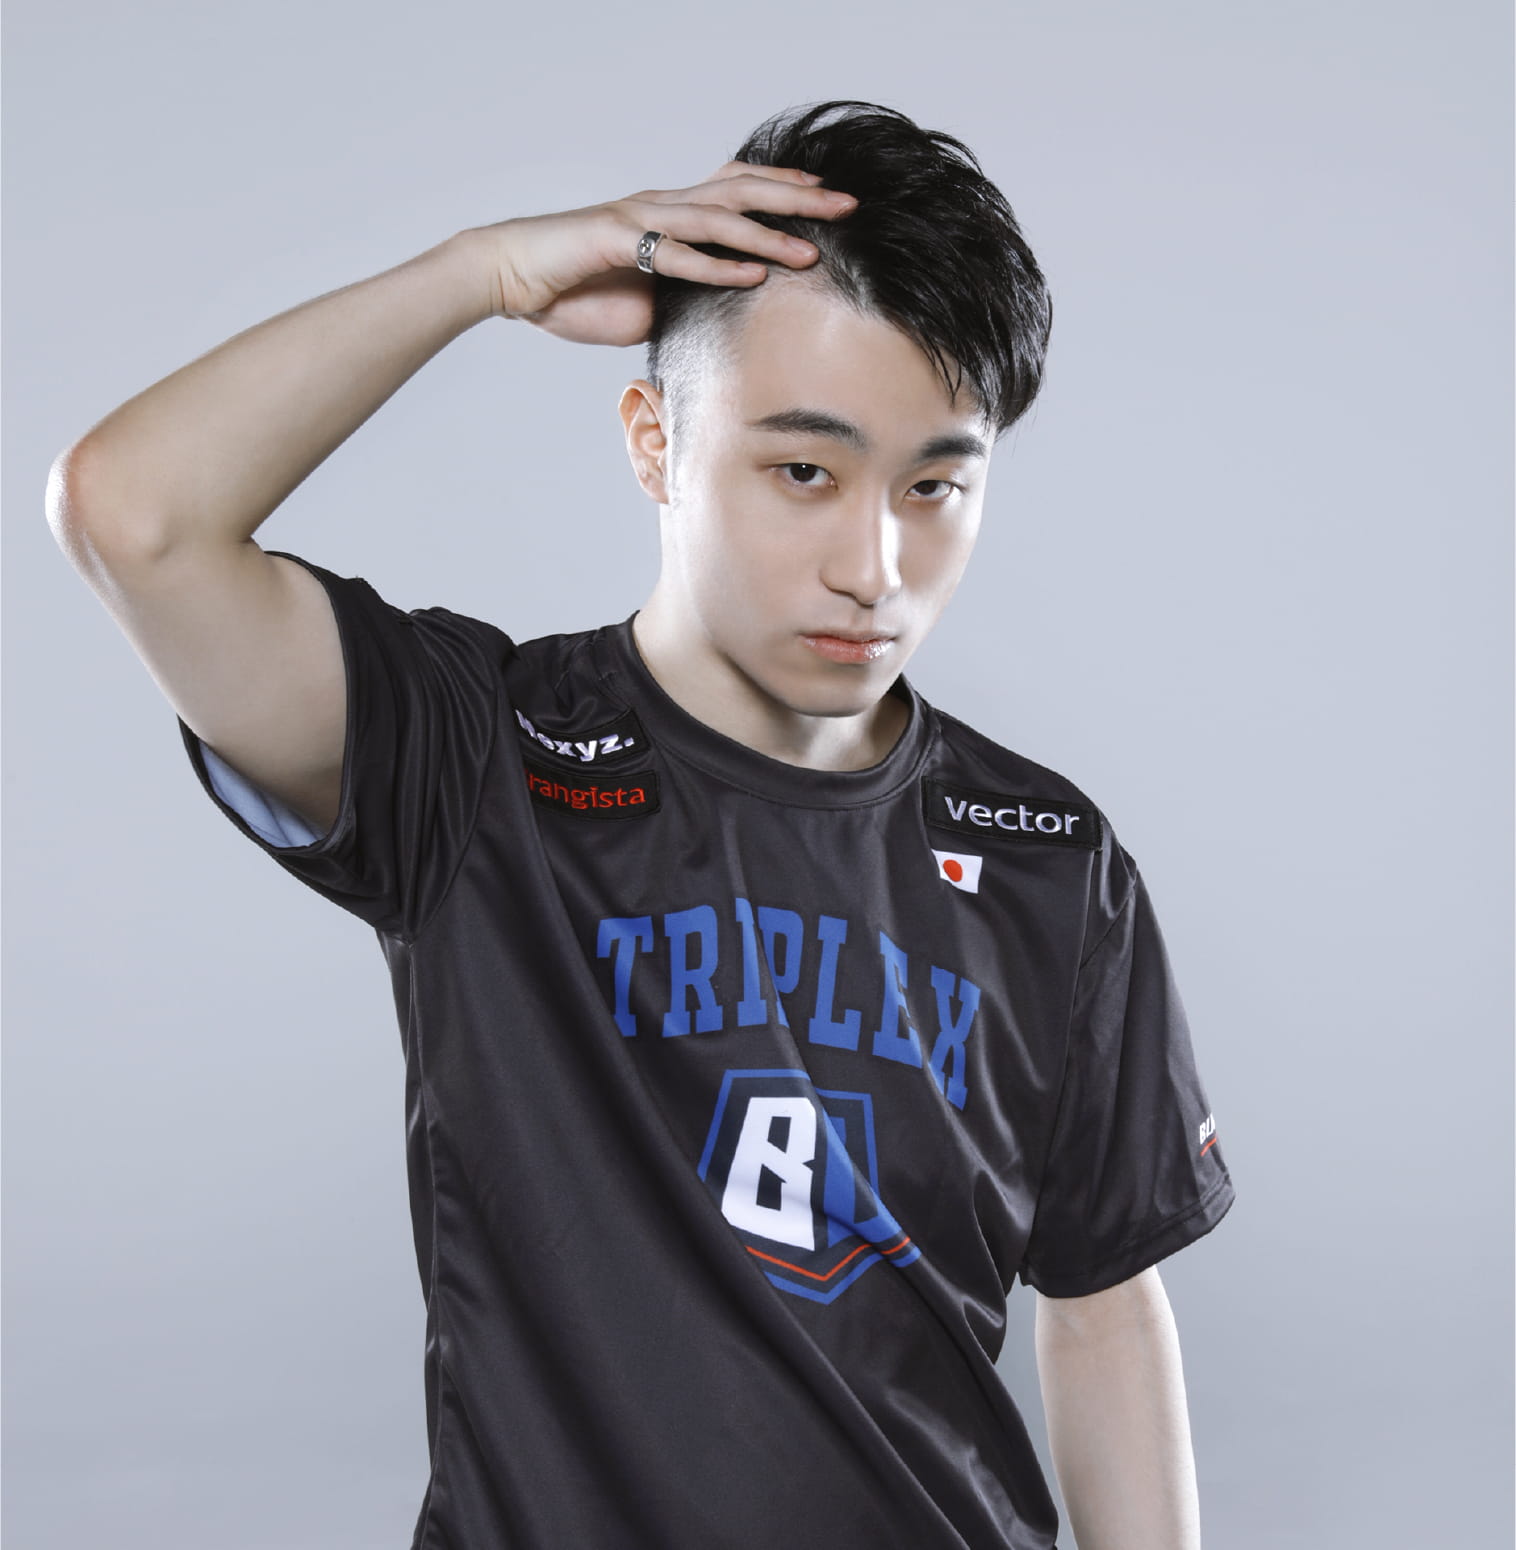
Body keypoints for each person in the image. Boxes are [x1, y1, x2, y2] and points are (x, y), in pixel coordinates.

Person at [48, 99, 1235, 1550]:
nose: (875, 565)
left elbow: (1104, 1306)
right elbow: (134, 514)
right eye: (804, 471)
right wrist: (483, 272)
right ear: (656, 442)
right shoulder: (473, 759)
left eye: (935, 485)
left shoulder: (1052, 859)